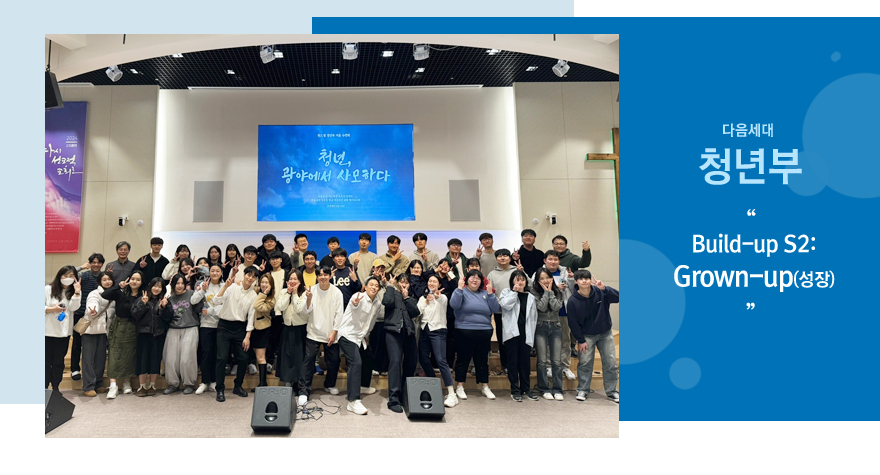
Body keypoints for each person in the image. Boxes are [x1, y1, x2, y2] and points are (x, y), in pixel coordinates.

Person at [329, 276, 384, 415]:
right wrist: (354, 303)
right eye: (371, 285)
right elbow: (354, 303)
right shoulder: (358, 296)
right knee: (356, 362)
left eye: (376, 286)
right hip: (347, 335)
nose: (373, 287)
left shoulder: (377, 303)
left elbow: (370, 322)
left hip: (360, 336)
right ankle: (353, 401)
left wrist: (366, 335)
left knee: (369, 357)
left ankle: (363, 386)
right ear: (365, 287)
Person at [567, 270, 619, 403]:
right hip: (586, 336)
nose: (584, 281)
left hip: (605, 333)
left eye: (587, 278)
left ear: (590, 280)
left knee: (610, 363)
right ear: (576, 282)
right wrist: (580, 340)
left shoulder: (601, 292)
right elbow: (573, 323)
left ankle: (612, 391)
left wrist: (605, 288)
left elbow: (618, 297)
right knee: (585, 363)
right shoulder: (572, 301)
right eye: (581, 279)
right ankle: (583, 390)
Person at [297, 266, 345, 406]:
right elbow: (306, 311)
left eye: (325, 274)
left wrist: (334, 332)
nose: (323, 277)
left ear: (330, 276)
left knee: (334, 361)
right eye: (320, 275)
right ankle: (304, 391)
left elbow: (339, 314)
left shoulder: (337, 292)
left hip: (331, 333)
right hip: (313, 332)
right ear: (317, 277)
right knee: (308, 361)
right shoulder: (311, 290)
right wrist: (308, 299)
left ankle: (329, 384)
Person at [449, 269, 500, 401]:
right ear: (466, 280)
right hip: (464, 330)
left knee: (482, 360)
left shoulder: (485, 293)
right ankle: (460, 386)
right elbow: (454, 305)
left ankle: (485, 386)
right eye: (472, 277)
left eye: (478, 278)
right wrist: (459, 289)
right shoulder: (461, 291)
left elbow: (495, 309)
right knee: (463, 359)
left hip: (484, 331)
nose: (475, 280)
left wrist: (490, 293)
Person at [212, 265, 259, 402]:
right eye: (248, 275)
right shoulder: (232, 287)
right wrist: (225, 287)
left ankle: (238, 386)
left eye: (253, 277)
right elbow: (216, 301)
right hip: (224, 326)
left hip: (240, 328)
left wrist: (248, 336)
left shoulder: (254, 295)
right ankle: (220, 389)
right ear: (244, 275)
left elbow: (251, 316)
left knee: (243, 358)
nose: (250, 278)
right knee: (222, 358)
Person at [98, 270, 144, 398]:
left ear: (141, 282)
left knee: (130, 355)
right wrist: (118, 286)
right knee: (115, 354)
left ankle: (126, 382)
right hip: (119, 326)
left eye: (138, 279)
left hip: (133, 327)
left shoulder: (143, 296)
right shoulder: (121, 292)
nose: (134, 281)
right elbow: (105, 294)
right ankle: (113, 386)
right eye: (133, 279)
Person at [536, 250, 578, 381]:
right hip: (546, 313)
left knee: (565, 340)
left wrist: (571, 280)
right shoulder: (539, 273)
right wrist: (555, 287)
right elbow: (534, 287)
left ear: (559, 261)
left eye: (555, 259)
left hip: (563, 310)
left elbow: (574, 289)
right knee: (548, 342)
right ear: (545, 260)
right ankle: (549, 366)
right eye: (550, 259)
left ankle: (565, 366)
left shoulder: (565, 272)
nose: (553, 262)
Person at [417, 274, 458, 407]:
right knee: (423, 358)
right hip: (424, 330)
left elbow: (441, 301)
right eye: (430, 281)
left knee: (441, 360)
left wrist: (436, 297)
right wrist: (426, 301)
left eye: (435, 282)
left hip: (438, 331)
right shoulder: (422, 298)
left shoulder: (443, 297)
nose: (432, 283)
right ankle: (434, 384)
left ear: (439, 285)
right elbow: (418, 312)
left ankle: (452, 393)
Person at [383, 273, 420, 413]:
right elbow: (386, 302)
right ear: (398, 283)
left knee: (411, 363)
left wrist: (407, 298)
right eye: (402, 281)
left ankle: (405, 395)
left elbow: (415, 312)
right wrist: (390, 286)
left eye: (406, 282)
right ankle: (393, 399)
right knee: (395, 362)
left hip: (408, 333)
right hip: (393, 332)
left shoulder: (410, 296)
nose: (404, 284)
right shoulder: (392, 293)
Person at [498, 270, 538, 402]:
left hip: (526, 333)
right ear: (512, 281)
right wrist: (514, 292)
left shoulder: (530, 297)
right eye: (517, 279)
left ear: (526, 282)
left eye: (522, 280)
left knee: (525, 363)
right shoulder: (506, 293)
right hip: (512, 333)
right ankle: (515, 390)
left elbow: (534, 317)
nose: (520, 282)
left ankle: (526, 389)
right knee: (512, 363)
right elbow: (505, 305)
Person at [161, 274, 203, 394]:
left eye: (182, 283)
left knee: (187, 358)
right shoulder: (169, 298)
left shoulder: (191, 294)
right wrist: (164, 307)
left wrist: (200, 294)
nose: (180, 286)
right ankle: (172, 383)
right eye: (177, 283)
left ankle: (189, 383)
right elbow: (166, 318)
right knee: (170, 359)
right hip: (173, 328)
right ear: (173, 285)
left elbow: (199, 309)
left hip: (190, 327)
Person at [45, 266, 82, 392]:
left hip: (63, 333)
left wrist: (77, 292)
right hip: (47, 332)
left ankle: (56, 387)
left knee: (58, 362)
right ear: (59, 276)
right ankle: (44, 387)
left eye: (71, 276)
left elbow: (73, 308)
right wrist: (52, 309)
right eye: (65, 275)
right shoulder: (48, 289)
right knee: (45, 361)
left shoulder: (74, 292)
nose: (67, 278)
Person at [531, 268, 565, 400]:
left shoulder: (558, 291)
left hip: (556, 326)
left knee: (556, 361)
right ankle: (544, 388)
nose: (545, 281)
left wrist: (550, 292)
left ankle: (557, 389)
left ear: (551, 278)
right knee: (542, 361)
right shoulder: (534, 292)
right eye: (542, 278)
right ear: (537, 280)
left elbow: (556, 307)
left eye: (547, 277)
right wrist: (546, 292)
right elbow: (541, 307)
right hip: (541, 326)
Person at [71, 253, 106, 382]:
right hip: (81, 314)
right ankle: (75, 369)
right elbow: (69, 276)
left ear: (102, 264)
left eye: (99, 262)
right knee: (77, 343)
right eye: (93, 262)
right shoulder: (83, 275)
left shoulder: (103, 277)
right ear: (89, 263)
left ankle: (93, 371)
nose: (96, 265)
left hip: (97, 316)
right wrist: (81, 267)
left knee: (94, 346)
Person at [131, 277, 168, 396]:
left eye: (159, 287)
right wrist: (143, 304)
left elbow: (168, 318)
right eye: (154, 286)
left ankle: (152, 385)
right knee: (142, 360)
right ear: (150, 286)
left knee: (155, 359)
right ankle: (141, 386)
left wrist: (163, 307)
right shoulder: (141, 299)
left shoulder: (164, 301)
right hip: (143, 333)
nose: (156, 289)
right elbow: (134, 314)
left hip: (158, 334)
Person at [276, 270, 312, 391]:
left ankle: (298, 384)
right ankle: (287, 381)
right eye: (290, 279)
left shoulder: (305, 293)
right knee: (287, 357)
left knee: (299, 358)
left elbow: (299, 309)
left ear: (300, 281)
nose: (292, 281)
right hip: (287, 328)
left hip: (300, 329)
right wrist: (288, 293)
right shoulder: (283, 292)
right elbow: (280, 307)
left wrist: (295, 293)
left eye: (295, 279)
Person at [191, 264, 224, 395]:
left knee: (217, 354)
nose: (215, 273)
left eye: (217, 271)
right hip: (206, 325)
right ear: (209, 272)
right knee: (206, 354)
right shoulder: (203, 285)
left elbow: (224, 306)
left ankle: (214, 381)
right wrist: (202, 290)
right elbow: (193, 301)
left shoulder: (224, 287)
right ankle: (205, 382)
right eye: (212, 271)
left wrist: (210, 311)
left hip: (221, 325)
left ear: (221, 273)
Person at [81, 270, 114, 396]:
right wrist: (92, 310)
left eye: (109, 279)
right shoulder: (94, 293)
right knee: (88, 360)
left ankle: (98, 384)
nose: (107, 282)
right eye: (104, 280)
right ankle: (88, 386)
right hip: (91, 330)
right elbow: (92, 303)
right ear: (100, 281)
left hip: (104, 331)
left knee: (101, 359)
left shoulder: (113, 295)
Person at [486, 249, 516, 371]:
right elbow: (490, 292)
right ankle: (505, 365)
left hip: (515, 311)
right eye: (499, 256)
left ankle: (515, 364)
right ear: (496, 259)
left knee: (514, 339)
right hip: (499, 311)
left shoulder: (516, 271)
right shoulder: (492, 274)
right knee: (502, 338)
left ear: (510, 258)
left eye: (505, 256)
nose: (502, 258)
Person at [250, 273, 277, 390]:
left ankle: (262, 384)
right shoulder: (255, 291)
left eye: (267, 283)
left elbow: (257, 306)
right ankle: (261, 382)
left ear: (271, 285)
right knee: (256, 356)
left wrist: (264, 293)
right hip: (252, 329)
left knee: (261, 357)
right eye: (262, 282)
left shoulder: (271, 300)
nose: (264, 285)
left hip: (262, 329)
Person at [264, 250, 288, 375]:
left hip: (284, 311)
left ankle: (281, 365)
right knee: (270, 338)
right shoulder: (268, 275)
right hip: (271, 310)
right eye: (272, 259)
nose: (275, 261)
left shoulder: (287, 273)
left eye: (277, 258)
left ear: (281, 260)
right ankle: (269, 362)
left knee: (283, 340)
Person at [367, 259, 391, 376]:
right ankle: (374, 367)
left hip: (386, 319)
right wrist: (374, 279)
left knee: (385, 346)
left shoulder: (387, 281)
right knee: (374, 344)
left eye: (382, 268)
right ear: (373, 269)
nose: (380, 270)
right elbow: (365, 289)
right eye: (377, 268)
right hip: (373, 320)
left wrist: (385, 282)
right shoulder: (369, 281)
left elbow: (393, 292)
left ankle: (384, 368)